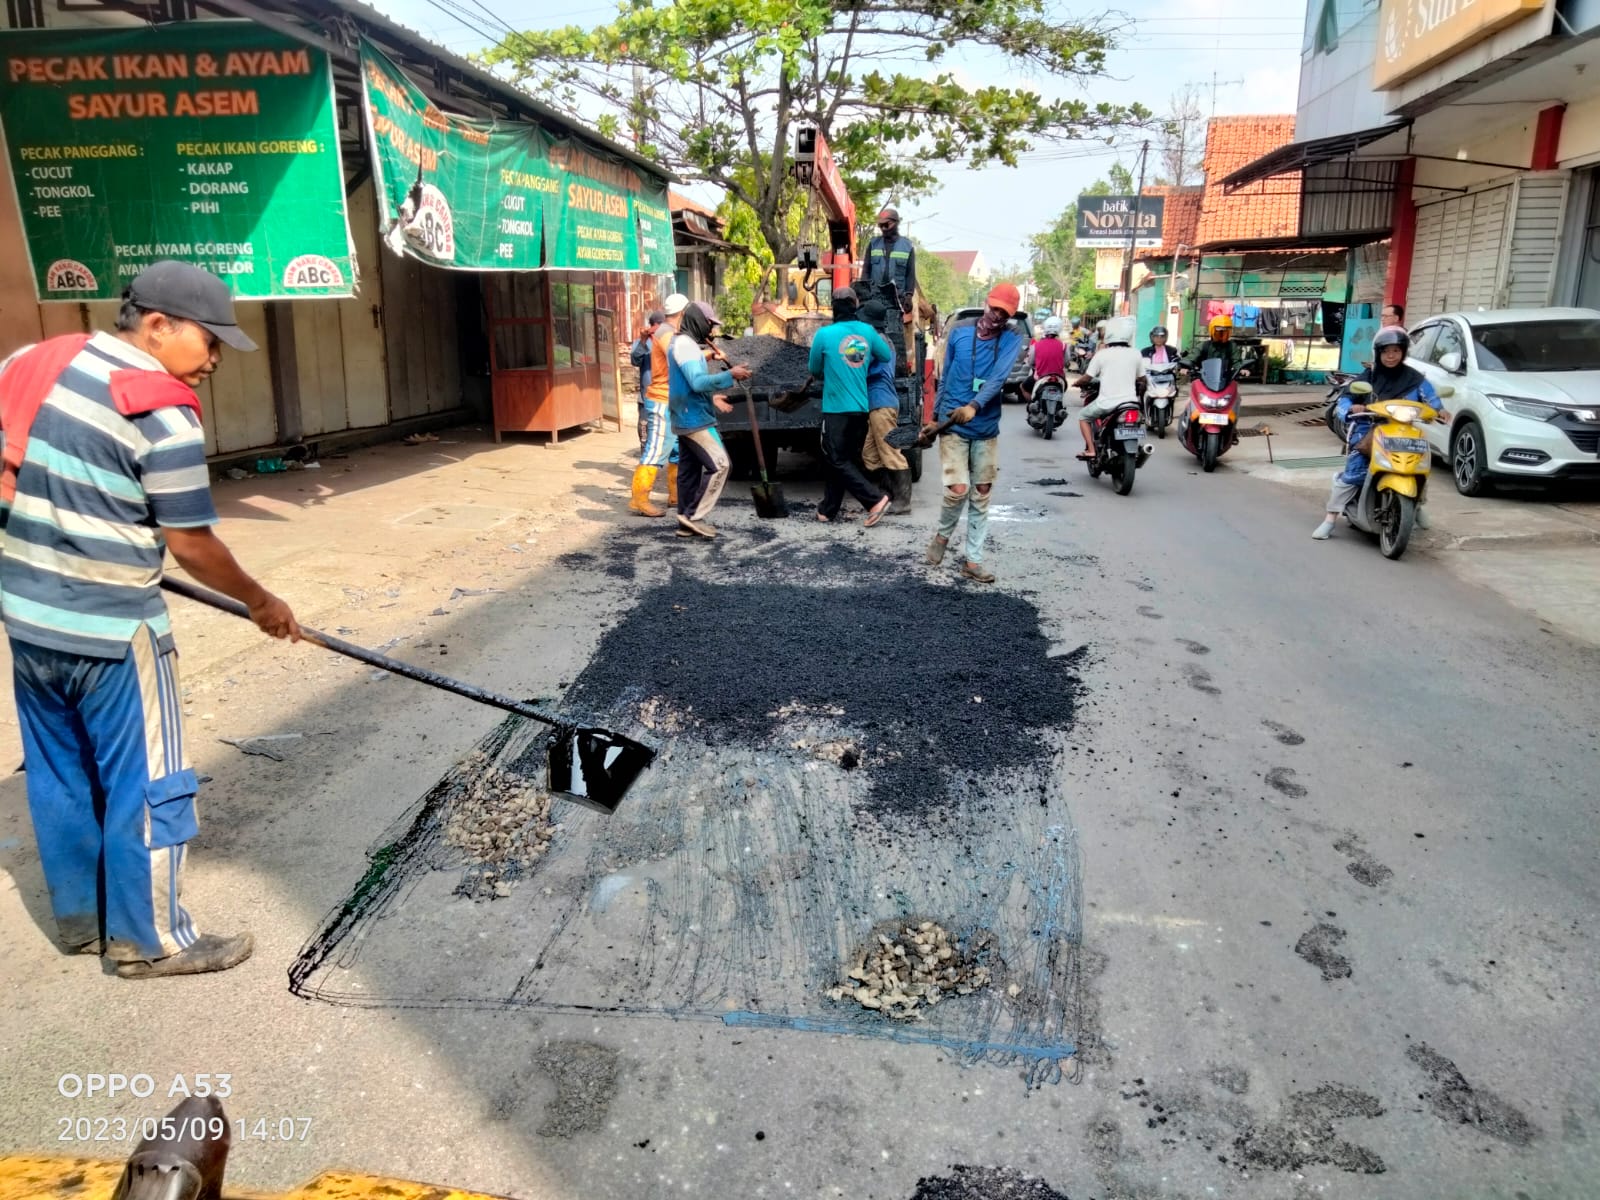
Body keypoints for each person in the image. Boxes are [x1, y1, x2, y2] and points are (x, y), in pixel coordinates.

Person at [0, 260, 301, 978]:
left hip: (29, 618)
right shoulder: (159, 411)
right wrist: (261, 601)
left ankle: (82, 919)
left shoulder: (34, 360)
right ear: (158, 326)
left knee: (59, 773)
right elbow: (191, 543)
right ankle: (152, 940)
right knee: (149, 781)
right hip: (113, 629)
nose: (215, 360)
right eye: (210, 341)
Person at [924, 282, 1025, 583]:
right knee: (958, 489)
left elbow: (998, 378)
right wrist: (933, 416)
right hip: (952, 424)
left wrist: (975, 406)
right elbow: (945, 377)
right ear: (986, 303)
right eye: (994, 308)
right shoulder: (960, 334)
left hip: (984, 425)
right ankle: (942, 536)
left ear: (1010, 316)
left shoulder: (1011, 339)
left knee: (981, 493)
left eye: (1003, 313)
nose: (996, 316)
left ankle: (972, 561)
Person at [1312, 326, 1446, 540]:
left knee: (1419, 468)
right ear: (1378, 353)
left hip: (1404, 431)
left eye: (1395, 351)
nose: (1391, 356)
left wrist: (1440, 410)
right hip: (1369, 429)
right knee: (1355, 473)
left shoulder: (1414, 378)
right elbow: (1346, 398)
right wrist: (1351, 408)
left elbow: (1431, 397)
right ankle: (1330, 519)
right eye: (1386, 351)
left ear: (1403, 352)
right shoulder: (1370, 377)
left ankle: (1416, 506)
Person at [808, 287, 894, 527]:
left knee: (834, 457)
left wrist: (832, 367)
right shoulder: (867, 331)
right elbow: (885, 355)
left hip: (836, 408)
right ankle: (828, 509)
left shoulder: (824, 335)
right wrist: (862, 361)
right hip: (860, 409)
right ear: (856, 305)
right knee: (841, 459)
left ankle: (875, 500)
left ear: (833, 307)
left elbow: (814, 370)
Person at [669, 301, 750, 538]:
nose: (711, 331)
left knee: (689, 471)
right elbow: (696, 382)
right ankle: (692, 515)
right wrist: (730, 375)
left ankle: (685, 522)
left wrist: (711, 393)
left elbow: (689, 380)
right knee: (722, 465)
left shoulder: (683, 343)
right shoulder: (686, 346)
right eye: (709, 324)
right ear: (697, 321)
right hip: (693, 417)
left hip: (684, 413)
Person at [631, 297, 686, 517]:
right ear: (682, 313)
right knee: (654, 449)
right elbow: (636, 359)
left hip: (669, 400)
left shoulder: (668, 334)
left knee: (675, 450)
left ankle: (675, 495)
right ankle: (639, 500)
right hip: (658, 400)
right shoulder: (664, 335)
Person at [858, 298, 913, 514]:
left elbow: (855, 361)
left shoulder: (874, 342)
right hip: (877, 404)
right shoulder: (884, 339)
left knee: (890, 451)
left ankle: (903, 501)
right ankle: (886, 495)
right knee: (870, 454)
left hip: (882, 403)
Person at [1075, 314, 1147, 460]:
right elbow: (1143, 379)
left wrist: (1078, 383)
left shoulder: (1102, 354)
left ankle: (1091, 450)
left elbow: (1088, 377)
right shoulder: (1136, 353)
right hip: (1130, 403)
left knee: (1083, 416)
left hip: (1107, 403)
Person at [863, 206, 917, 335]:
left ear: (895, 223)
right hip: (875, 300)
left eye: (886, 225)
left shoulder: (907, 246)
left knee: (893, 337)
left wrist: (909, 296)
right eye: (880, 226)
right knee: (873, 335)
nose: (883, 229)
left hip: (896, 302)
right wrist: (864, 294)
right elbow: (866, 271)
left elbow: (910, 274)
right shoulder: (873, 244)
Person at [630, 310, 664, 451]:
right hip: (646, 397)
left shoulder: (669, 340)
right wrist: (643, 341)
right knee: (644, 432)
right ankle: (646, 458)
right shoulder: (641, 343)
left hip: (666, 396)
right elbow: (634, 360)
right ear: (652, 326)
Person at [1028, 315, 1068, 393]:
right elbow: (1067, 362)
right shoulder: (1063, 345)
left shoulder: (1035, 345)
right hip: (1059, 378)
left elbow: (1031, 362)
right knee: (1064, 387)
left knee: (1023, 387)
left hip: (1040, 377)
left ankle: (1032, 403)